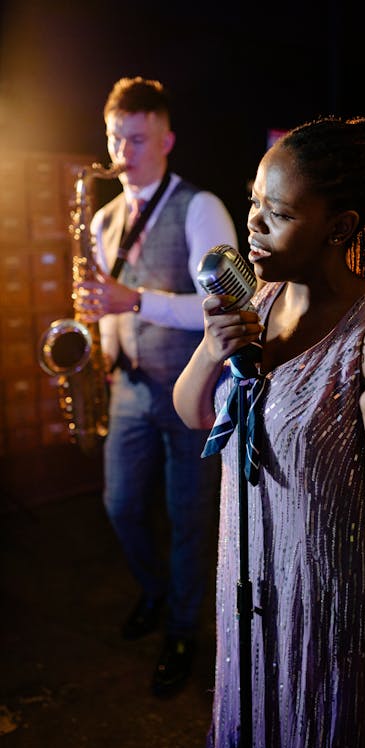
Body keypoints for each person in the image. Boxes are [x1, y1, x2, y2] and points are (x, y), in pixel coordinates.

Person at [173, 115, 365, 748]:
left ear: (341, 228)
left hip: (334, 597)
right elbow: (196, 414)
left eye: (275, 213)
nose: (251, 223)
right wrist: (208, 349)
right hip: (250, 579)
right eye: (253, 202)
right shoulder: (259, 300)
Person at [73, 76, 238, 696]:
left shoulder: (201, 207)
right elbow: (110, 306)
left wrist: (134, 300)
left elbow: (224, 305)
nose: (123, 153)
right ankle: (157, 591)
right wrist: (103, 334)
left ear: (166, 138)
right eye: (115, 137)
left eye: (137, 139)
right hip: (131, 387)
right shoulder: (106, 217)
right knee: (120, 506)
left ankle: (182, 629)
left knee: (189, 516)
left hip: (193, 391)